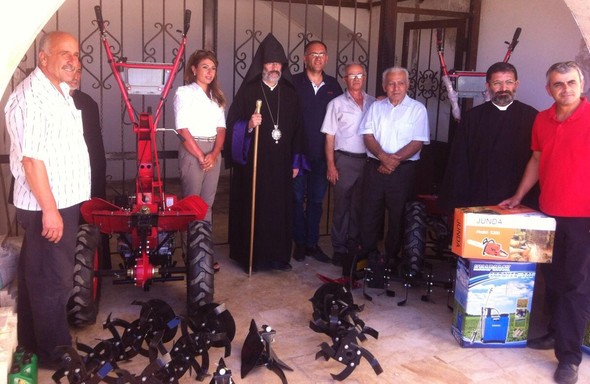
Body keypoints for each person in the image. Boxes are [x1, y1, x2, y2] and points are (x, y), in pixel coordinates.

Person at [500, 61, 590, 384]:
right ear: (548, 88)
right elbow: (536, 160)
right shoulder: (542, 119)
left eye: (570, 82)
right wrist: (517, 196)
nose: (565, 89)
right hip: (548, 212)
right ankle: (554, 333)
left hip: (583, 219)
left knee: (577, 287)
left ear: (582, 85)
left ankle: (569, 358)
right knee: (551, 280)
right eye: (557, 84)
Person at [5, 31, 90, 369]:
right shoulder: (32, 98)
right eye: (64, 53)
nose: (74, 60)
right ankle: (56, 352)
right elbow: (31, 160)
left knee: (34, 275)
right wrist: (51, 211)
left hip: (58, 201)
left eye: (77, 54)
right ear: (43, 58)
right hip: (47, 205)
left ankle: (31, 341)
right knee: (53, 279)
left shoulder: (58, 92)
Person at [224, 33, 304, 272]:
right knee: (255, 207)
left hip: (281, 165)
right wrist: (248, 125)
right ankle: (252, 257)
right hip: (254, 166)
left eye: (278, 63)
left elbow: (299, 129)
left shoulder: (290, 93)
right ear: (261, 65)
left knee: (279, 209)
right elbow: (232, 125)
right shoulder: (249, 91)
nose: (274, 68)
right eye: (270, 63)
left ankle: (278, 257)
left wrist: (296, 161)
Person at [438, 62, 539, 212]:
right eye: (497, 83)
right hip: (479, 197)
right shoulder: (472, 118)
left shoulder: (532, 117)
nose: (503, 88)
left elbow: (538, 160)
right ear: (488, 86)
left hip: (520, 199)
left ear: (516, 84)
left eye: (509, 82)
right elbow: (459, 162)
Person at [358, 66, 430, 274]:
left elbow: (418, 142)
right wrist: (383, 158)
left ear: (407, 85)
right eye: (391, 83)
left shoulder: (418, 109)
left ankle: (392, 258)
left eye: (400, 83)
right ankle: (369, 256)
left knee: (398, 216)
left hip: (403, 171)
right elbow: (367, 135)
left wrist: (393, 161)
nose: (396, 87)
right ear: (384, 86)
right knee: (370, 213)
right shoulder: (376, 107)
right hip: (375, 168)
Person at [292, 40, 342, 263]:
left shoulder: (333, 86)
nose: (318, 58)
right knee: (295, 200)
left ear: (327, 58)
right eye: (314, 54)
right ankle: (299, 243)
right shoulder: (292, 83)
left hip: (323, 156)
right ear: (305, 58)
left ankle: (312, 243)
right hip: (298, 155)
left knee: (315, 201)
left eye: (322, 54)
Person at [320, 63, 375, 268]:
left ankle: (354, 244)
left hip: (368, 161)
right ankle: (339, 247)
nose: (356, 79)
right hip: (345, 159)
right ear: (345, 79)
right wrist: (331, 165)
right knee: (341, 206)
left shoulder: (373, 103)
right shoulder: (336, 104)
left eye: (359, 75)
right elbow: (329, 137)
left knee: (360, 205)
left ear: (365, 77)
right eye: (351, 76)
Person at [174, 50, 226, 225]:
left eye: (213, 68)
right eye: (205, 67)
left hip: (213, 151)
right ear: (194, 69)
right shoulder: (184, 93)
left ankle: (203, 247)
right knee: (191, 204)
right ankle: (191, 250)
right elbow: (182, 129)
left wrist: (214, 154)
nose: (210, 72)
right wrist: (200, 156)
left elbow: (221, 129)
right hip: (193, 149)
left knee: (207, 204)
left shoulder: (216, 96)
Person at [67, 64, 111, 269]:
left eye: (78, 72)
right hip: (60, 178)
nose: (75, 77)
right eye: (70, 71)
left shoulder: (87, 103)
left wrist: (97, 176)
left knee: (89, 218)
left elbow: (95, 145)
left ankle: (98, 267)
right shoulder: (46, 102)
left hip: (87, 174)